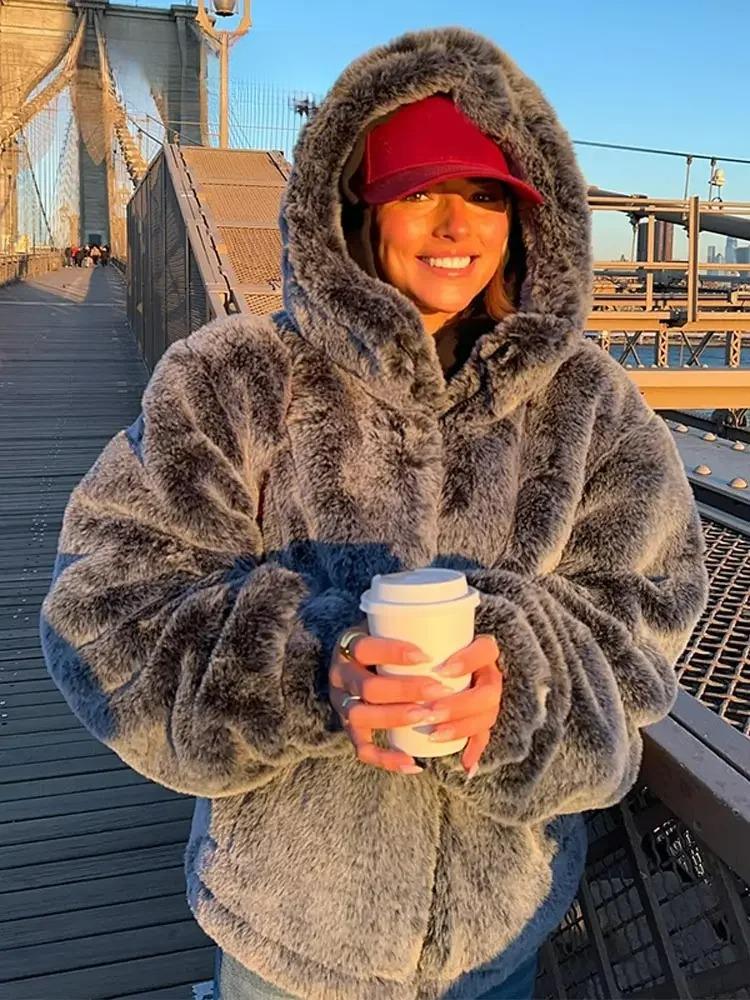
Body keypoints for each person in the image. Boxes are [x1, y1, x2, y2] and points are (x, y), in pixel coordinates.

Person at [39, 27, 708, 1000]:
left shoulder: (592, 406)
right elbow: (102, 611)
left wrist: (524, 687)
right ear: (356, 205)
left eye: (486, 195)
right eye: (419, 191)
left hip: (498, 941)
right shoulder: (234, 379)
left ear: (529, 217)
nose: (456, 223)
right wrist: (311, 665)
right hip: (289, 941)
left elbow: (648, 615)